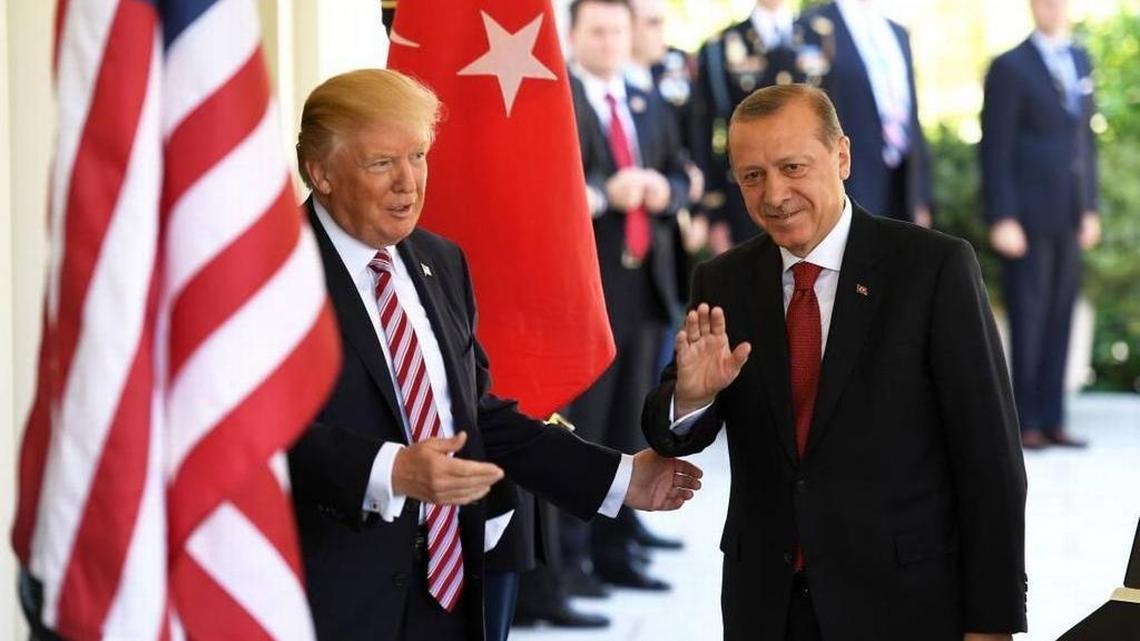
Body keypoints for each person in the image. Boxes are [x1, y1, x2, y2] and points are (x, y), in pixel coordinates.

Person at [288, 68, 703, 641]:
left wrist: (620, 478)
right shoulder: (271, 279)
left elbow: (479, 417)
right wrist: (391, 470)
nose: (408, 184)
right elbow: (257, 437)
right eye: (381, 163)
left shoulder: (440, 261)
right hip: (332, 600)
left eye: (418, 156)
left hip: (455, 593)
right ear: (321, 173)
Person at [642, 84, 1027, 641]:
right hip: (768, 607)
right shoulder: (721, 279)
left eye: (793, 167)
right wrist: (693, 398)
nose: (774, 194)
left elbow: (990, 460)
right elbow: (668, 431)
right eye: (752, 176)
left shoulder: (931, 268)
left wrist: (992, 623)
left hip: (904, 605)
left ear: (841, 156)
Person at [561, 0, 691, 593]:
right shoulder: (560, 101)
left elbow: (686, 171)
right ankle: (573, 559)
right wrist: (604, 193)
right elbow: (552, 189)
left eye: (619, 30)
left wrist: (665, 188)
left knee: (631, 426)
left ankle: (619, 550)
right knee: (583, 430)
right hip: (591, 291)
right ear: (574, 34)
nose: (611, 41)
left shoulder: (646, 97)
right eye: (598, 30)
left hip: (647, 288)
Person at [980, 0, 1100, 450]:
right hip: (1025, 218)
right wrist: (1002, 216)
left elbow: (1084, 140)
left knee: (1061, 315)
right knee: (1028, 318)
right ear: (1032, 6)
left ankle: (1053, 417)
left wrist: (1089, 206)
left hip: (1069, 214)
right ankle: (1025, 421)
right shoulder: (1010, 66)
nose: (1053, 8)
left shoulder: (1079, 57)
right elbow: (996, 146)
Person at [797, 0, 932, 226]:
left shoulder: (897, 32)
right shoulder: (812, 26)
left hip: (902, 187)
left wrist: (921, 195)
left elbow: (910, 115)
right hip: (847, 187)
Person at [691, 0, 803, 252]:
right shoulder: (719, 47)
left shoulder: (819, 35)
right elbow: (707, 135)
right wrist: (715, 214)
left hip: (813, 198)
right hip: (746, 206)